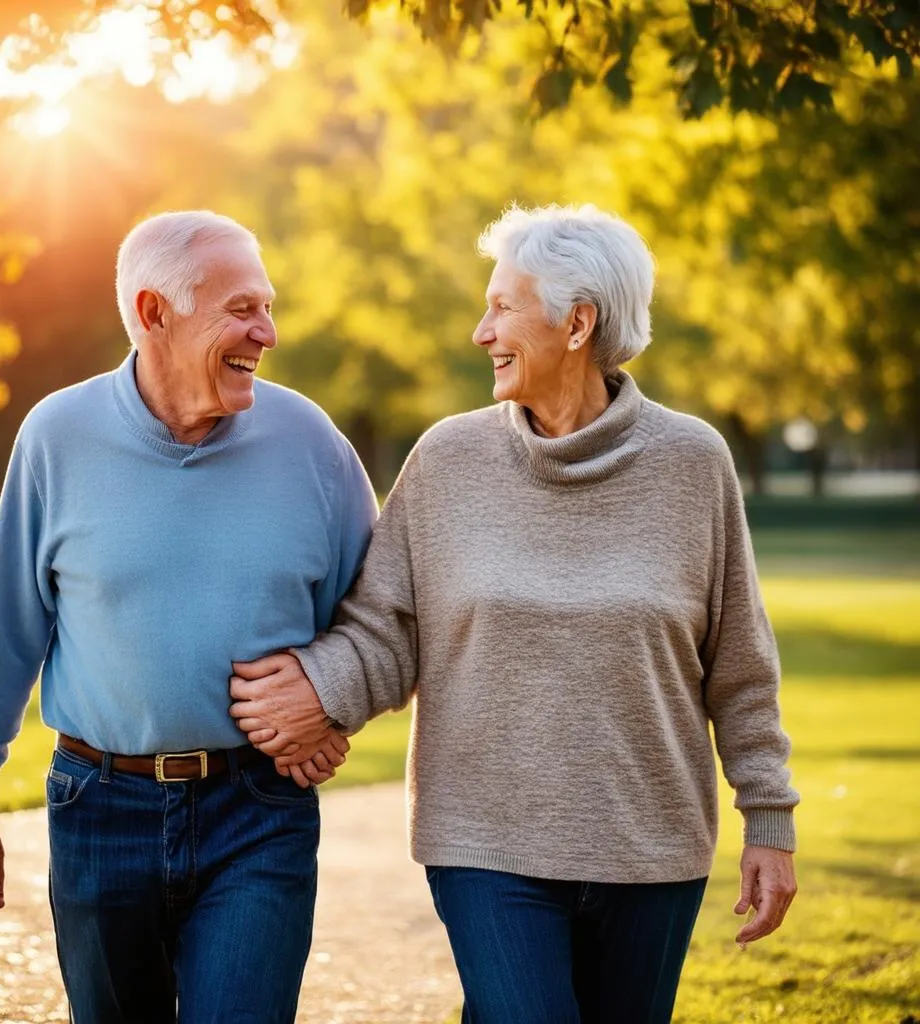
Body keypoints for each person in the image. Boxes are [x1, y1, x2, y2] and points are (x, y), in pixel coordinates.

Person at [229, 203, 799, 1024]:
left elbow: (740, 666)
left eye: (502, 307)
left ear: (578, 323)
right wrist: (317, 692)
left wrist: (769, 820)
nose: (479, 331)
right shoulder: (447, 462)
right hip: (484, 843)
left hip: (650, 848)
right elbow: (389, 629)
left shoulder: (693, 464)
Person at [0, 210, 376, 1024]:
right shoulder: (56, 437)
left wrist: (330, 692)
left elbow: (381, 616)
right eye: (243, 309)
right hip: (98, 807)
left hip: (259, 808)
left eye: (268, 307)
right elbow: (4, 633)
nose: (268, 332)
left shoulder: (310, 443)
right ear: (152, 312)